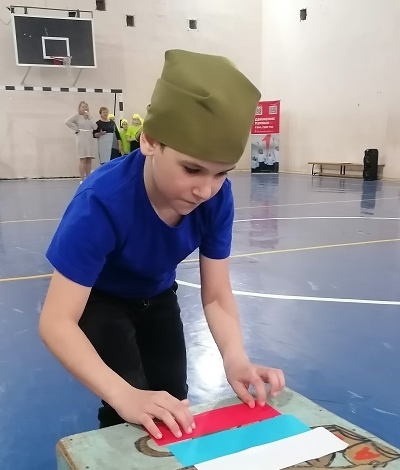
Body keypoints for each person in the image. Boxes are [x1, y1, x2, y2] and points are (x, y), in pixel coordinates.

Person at [38, 50, 285, 440]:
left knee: (173, 398)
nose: (205, 190)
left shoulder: (216, 199)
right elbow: (56, 321)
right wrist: (123, 395)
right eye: (192, 169)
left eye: (221, 173)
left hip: (157, 295)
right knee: (128, 407)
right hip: (102, 300)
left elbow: (216, 294)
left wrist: (236, 358)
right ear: (151, 141)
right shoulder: (101, 203)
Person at [65, 101, 97, 181]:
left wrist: (89, 118)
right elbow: (67, 122)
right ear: (79, 108)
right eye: (83, 107)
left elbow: (95, 127)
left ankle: (88, 178)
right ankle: (82, 179)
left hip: (89, 138)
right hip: (81, 138)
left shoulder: (90, 117)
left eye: (86, 106)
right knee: (83, 158)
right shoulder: (77, 116)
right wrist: (76, 129)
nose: (85, 108)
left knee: (89, 158)